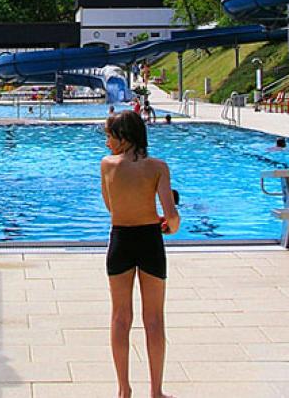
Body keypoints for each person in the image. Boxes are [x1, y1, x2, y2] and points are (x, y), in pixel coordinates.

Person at [101, 111, 179, 398]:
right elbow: (172, 217)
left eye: (109, 136)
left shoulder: (107, 166)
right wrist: (168, 225)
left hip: (120, 240)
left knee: (120, 317)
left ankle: (123, 390)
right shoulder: (158, 167)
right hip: (150, 240)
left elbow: (112, 207)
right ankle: (156, 392)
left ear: (123, 138)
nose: (107, 143)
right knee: (155, 319)